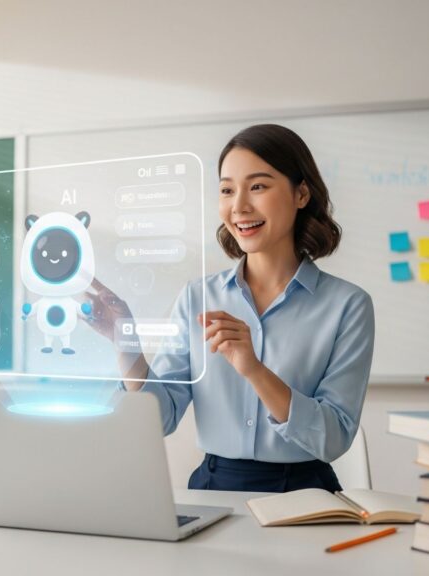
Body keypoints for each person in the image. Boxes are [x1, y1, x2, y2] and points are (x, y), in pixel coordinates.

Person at [86, 124, 375, 493]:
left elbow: (333, 438)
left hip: (306, 495)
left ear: (301, 193)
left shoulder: (348, 306)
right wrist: (125, 344)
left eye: (258, 186)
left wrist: (253, 369)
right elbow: (159, 418)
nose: (238, 206)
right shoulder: (196, 298)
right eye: (226, 190)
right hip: (213, 487)